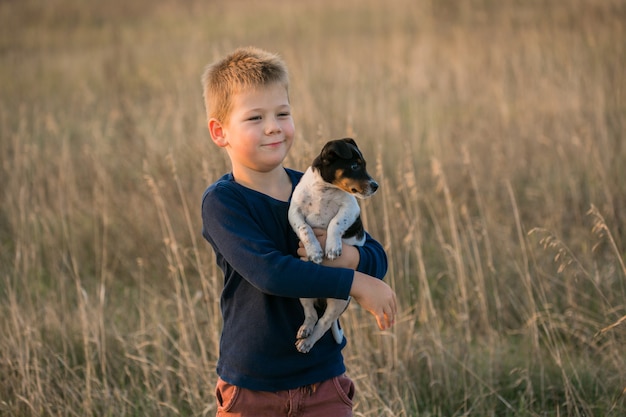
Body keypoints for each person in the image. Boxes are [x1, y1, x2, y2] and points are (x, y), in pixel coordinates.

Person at [200, 46, 397, 417]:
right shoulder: (224, 203)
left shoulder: (316, 191)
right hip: (252, 387)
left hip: (322, 380)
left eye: (283, 113)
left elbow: (376, 254)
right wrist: (355, 284)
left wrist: (350, 259)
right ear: (219, 131)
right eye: (255, 117)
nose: (273, 126)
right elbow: (271, 273)